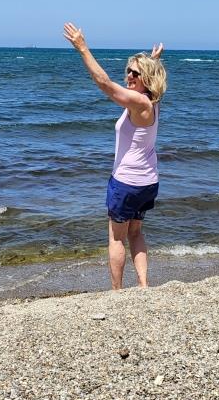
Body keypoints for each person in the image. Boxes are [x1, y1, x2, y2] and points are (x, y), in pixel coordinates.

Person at [63, 22, 167, 290]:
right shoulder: (152, 99)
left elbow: (105, 84)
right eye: (128, 70)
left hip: (127, 183)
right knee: (136, 232)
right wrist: (153, 60)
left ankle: (117, 292)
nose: (129, 75)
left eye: (135, 73)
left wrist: (82, 48)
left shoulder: (139, 102)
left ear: (146, 78)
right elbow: (146, 82)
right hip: (147, 182)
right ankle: (143, 285)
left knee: (117, 238)